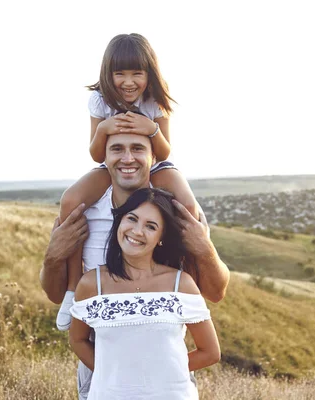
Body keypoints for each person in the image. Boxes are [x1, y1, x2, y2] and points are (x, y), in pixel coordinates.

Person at [40, 132, 229, 399]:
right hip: (103, 373)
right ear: (103, 158)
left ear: (155, 157)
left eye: (138, 149)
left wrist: (158, 374)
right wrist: (52, 257)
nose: (127, 158)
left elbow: (216, 295)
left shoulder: (178, 216)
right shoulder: (84, 213)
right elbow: (59, 305)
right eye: (117, 149)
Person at [55, 33, 199, 330]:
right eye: (119, 73)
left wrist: (151, 130)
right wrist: (104, 130)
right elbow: (97, 156)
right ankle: (72, 289)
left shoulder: (156, 100)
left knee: (186, 205)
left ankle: (192, 283)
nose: (128, 81)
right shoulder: (100, 100)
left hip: (155, 164)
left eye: (137, 73)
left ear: (150, 73)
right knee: (71, 201)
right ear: (108, 74)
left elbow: (165, 150)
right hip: (114, 165)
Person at [69, 187, 220, 399]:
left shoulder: (180, 284)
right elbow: (77, 340)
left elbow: (210, 352)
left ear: (161, 237)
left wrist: (158, 375)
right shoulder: (92, 284)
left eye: (150, 226)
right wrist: (114, 374)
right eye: (132, 219)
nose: (137, 231)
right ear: (120, 221)